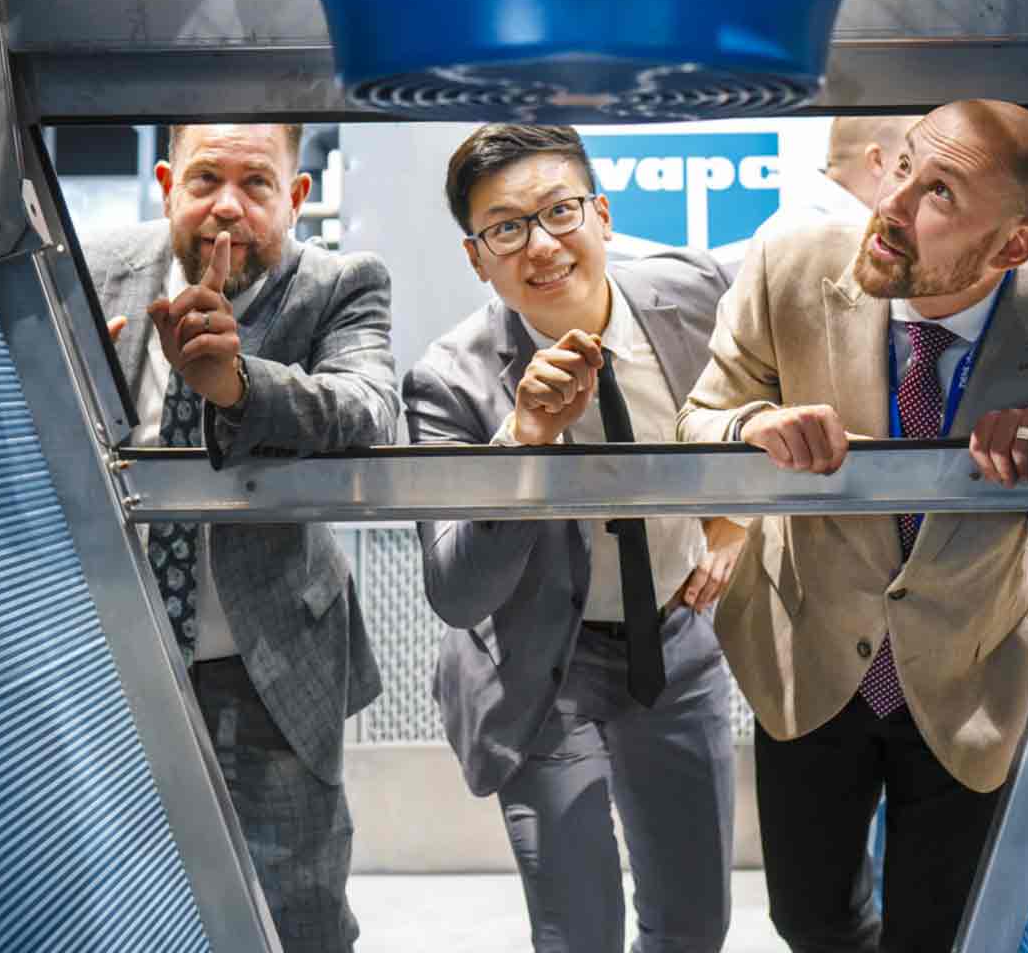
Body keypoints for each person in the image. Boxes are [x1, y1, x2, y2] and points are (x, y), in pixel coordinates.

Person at [677, 100, 1028, 953]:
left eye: (941, 193)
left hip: (972, 669)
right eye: (905, 166)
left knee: (940, 933)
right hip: (807, 656)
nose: (893, 203)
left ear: (1016, 246)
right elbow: (701, 420)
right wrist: (752, 429)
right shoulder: (788, 265)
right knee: (811, 921)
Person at [405, 125, 743, 953]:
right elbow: (458, 593)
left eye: (560, 211)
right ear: (477, 257)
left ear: (603, 215)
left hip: (677, 642)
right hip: (539, 662)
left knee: (695, 924)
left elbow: (782, 383)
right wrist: (524, 445)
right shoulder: (449, 381)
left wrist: (741, 521)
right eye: (506, 228)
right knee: (579, 929)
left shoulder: (697, 294)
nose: (542, 245)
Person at [93, 122, 398, 953]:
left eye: (256, 183)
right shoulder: (98, 266)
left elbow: (369, 410)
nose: (227, 206)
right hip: (113, 660)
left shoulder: (339, 285)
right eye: (205, 180)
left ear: (295, 197)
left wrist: (236, 386)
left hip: (270, 665)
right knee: (124, 902)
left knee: (298, 910)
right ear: (167, 186)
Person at [751, 116, 918, 248]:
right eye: (908, 164)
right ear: (877, 161)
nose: (923, 177)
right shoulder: (850, 244)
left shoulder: (786, 224)